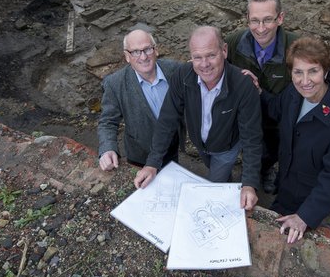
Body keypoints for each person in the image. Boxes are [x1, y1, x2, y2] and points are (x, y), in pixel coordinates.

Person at [134, 26, 262, 210]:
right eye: (197, 57)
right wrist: (153, 162)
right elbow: (167, 119)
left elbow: (252, 139)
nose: (204, 64)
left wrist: (249, 183)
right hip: (201, 145)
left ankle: (225, 182)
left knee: (214, 185)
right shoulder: (182, 75)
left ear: (224, 51)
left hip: (226, 148)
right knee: (218, 171)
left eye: (211, 55)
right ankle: (226, 178)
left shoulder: (243, 86)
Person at [260, 37, 330, 244]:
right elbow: (274, 108)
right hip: (286, 183)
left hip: (306, 199)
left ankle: (320, 227)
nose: (304, 81)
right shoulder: (293, 94)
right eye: (298, 72)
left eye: (313, 71)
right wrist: (258, 91)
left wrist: (305, 217)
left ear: (325, 71)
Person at [225, 0, 299, 193]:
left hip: (277, 120)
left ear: (280, 18)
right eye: (254, 20)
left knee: (271, 151)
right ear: (247, 18)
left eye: (268, 20)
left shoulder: (296, 48)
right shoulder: (233, 42)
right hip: (244, 116)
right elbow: (212, 64)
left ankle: (264, 170)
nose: (260, 28)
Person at [98, 29, 180, 171]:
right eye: (135, 52)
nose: (143, 57)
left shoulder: (175, 71)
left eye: (147, 49)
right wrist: (107, 148)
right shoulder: (115, 84)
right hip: (140, 156)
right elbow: (107, 121)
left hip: (172, 149)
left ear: (156, 50)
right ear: (127, 56)